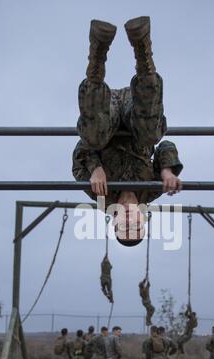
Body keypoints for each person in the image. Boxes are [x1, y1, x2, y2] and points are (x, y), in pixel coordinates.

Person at [72, 16, 183, 246]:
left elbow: (79, 153)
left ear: (114, 221)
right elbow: (165, 146)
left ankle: (98, 51)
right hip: (137, 116)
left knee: (92, 136)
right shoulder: (151, 190)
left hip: (107, 114)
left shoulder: (99, 194)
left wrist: (96, 168)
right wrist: (167, 171)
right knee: (152, 135)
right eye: (137, 226)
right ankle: (143, 49)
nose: (131, 220)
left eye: (125, 226)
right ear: (144, 218)